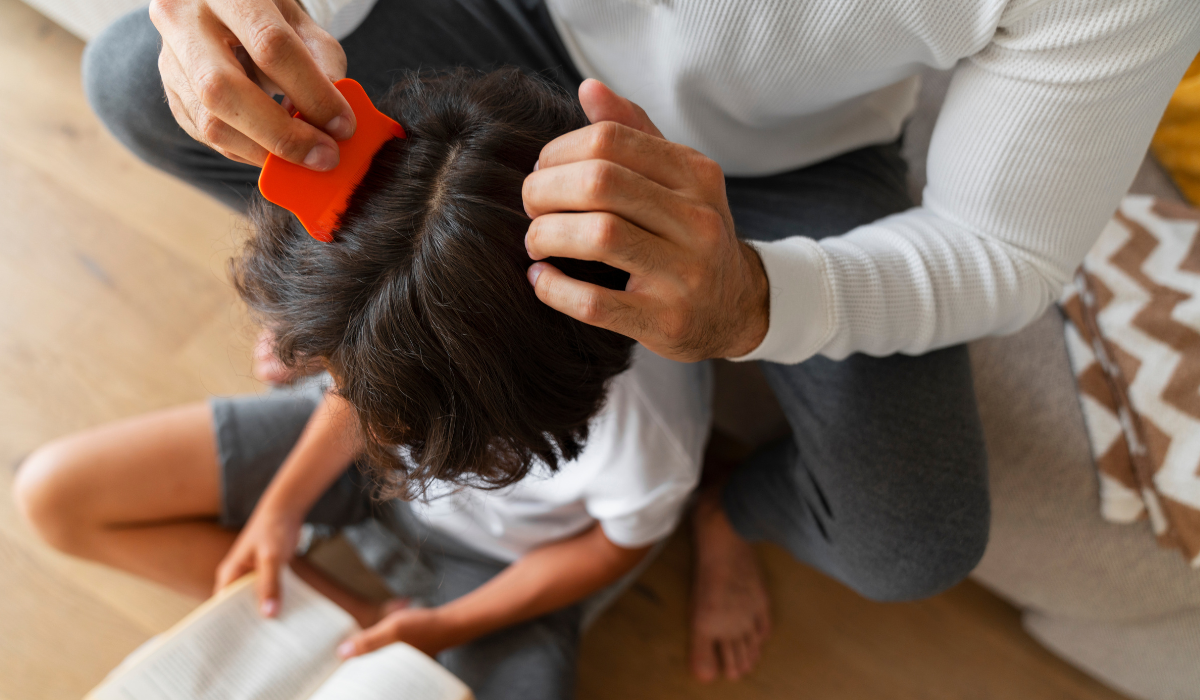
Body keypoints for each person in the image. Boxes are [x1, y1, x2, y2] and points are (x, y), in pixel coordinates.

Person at [78, 0, 1200, 683]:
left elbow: (1002, 252)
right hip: (511, 25)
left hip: (798, 158)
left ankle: (726, 504)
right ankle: (392, 304)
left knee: (910, 540)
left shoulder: (641, 455)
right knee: (132, 75)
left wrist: (759, 299)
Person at [14, 69, 712, 700]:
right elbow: (362, 397)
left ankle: (363, 633)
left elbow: (612, 545)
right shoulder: (405, 324)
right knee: (54, 493)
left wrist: (442, 629)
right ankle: (351, 623)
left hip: (504, 566)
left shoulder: (651, 433)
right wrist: (282, 508)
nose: (360, 405)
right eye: (344, 377)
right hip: (350, 470)